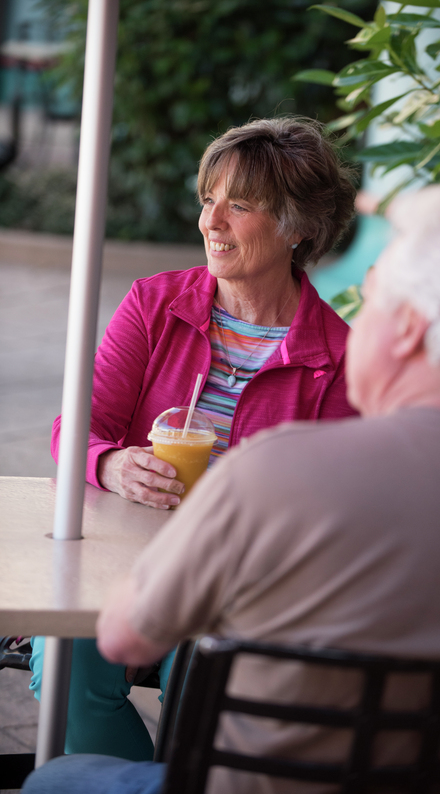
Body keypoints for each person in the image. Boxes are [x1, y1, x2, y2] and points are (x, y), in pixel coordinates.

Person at [23, 184, 440, 794]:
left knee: (60, 779)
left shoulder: (278, 467)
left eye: (368, 306)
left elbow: (123, 634)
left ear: (405, 330)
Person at [29, 116, 359, 760]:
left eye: (240, 206)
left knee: (207, 697)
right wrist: (113, 462)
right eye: (209, 200)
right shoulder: (154, 304)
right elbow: (78, 427)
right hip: (124, 552)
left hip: (250, 574)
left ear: (299, 227)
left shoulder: (341, 357)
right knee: (67, 672)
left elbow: (342, 506)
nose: (212, 222)